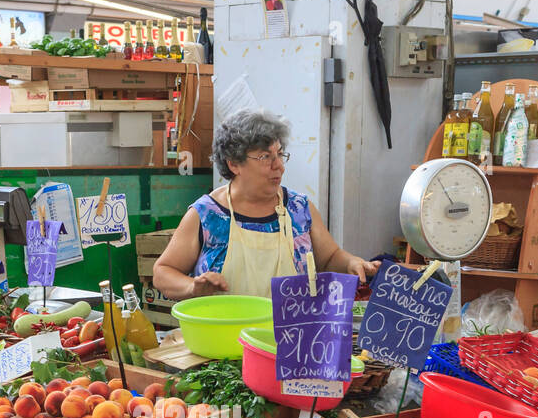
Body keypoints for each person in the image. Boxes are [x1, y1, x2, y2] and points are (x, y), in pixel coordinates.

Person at [153, 109, 379, 301]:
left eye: (280, 154)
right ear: (234, 164)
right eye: (265, 157)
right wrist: (193, 287)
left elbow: (329, 258)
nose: (279, 166)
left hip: (291, 338)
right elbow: (163, 272)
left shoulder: (299, 209)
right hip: (224, 339)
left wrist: (351, 262)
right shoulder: (206, 214)